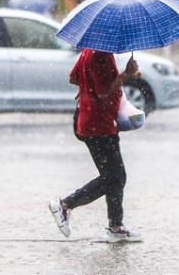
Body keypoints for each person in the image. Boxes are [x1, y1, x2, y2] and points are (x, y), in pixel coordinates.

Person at [49, 49, 143, 243]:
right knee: (114, 177)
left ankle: (116, 227)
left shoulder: (88, 51)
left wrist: (90, 87)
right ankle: (65, 205)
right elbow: (103, 92)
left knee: (115, 177)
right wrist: (126, 75)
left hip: (90, 119)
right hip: (99, 125)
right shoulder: (102, 54)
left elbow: (74, 78)